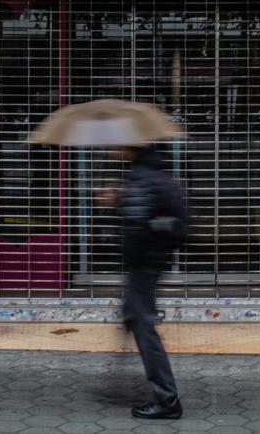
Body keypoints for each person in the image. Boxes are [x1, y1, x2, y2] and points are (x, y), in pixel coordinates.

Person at [99, 144, 188, 420]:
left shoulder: (143, 177)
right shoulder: (149, 174)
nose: (113, 148)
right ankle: (124, 379)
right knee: (134, 317)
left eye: (118, 144)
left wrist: (122, 202)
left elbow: (141, 223)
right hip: (146, 263)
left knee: (143, 326)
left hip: (143, 264)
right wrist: (123, 200)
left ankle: (167, 400)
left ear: (130, 147)